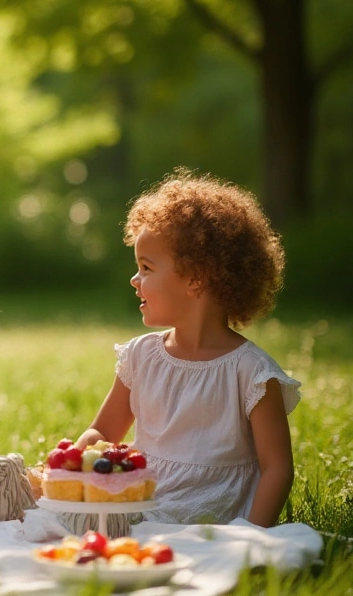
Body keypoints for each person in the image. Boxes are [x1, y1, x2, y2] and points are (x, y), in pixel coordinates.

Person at [75, 169, 298, 526]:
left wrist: (253, 537)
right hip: (141, 501)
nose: (135, 280)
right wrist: (79, 452)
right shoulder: (140, 357)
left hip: (212, 517)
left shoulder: (252, 373)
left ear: (196, 278)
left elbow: (277, 469)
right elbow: (102, 433)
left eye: (146, 267)